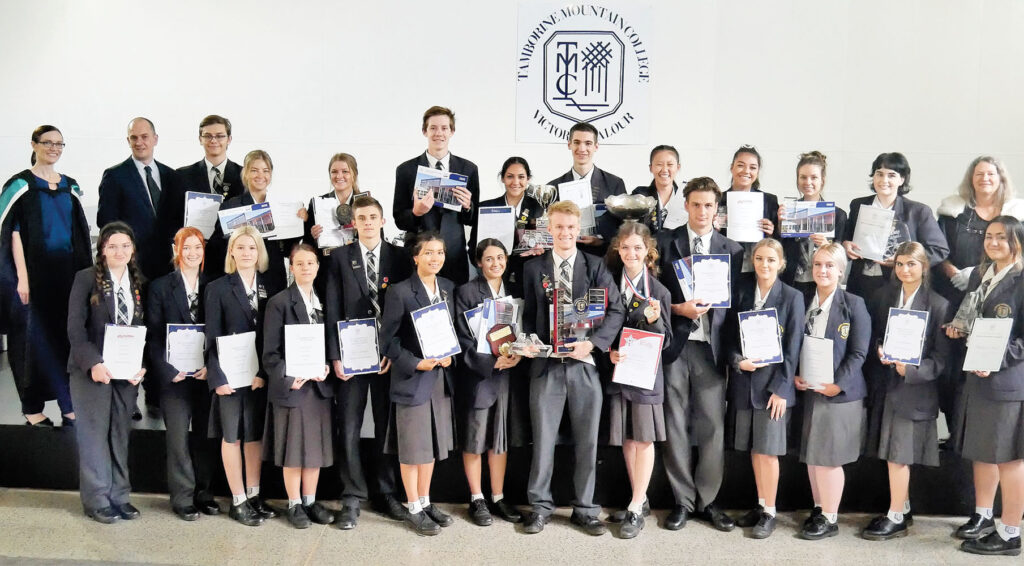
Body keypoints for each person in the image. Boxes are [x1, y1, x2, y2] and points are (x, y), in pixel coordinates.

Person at [519, 200, 626, 537]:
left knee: (587, 440)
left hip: (583, 364)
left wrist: (593, 344)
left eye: (570, 228)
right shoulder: (533, 270)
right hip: (547, 366)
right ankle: (539, 506)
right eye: (559, 227)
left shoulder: (595, 266)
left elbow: (616, 311)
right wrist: (529, 343)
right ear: (548, 229)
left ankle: (585, 508)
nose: (565, 233)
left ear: (578, 230)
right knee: (544, 439)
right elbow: (527, 314)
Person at [655, 177, 743, 532]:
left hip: (712, 349)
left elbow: (735, 306)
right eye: (696, 204)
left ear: (717, 209)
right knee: (674, 425)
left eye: (709, 205)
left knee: (711, 427)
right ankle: (682, 501)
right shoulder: (665, 242)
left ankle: (708, 501)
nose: (703, 211)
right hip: (677, 345)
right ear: (686, 206)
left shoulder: (733, 250)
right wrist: (679, 309)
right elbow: (655, 298)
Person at [325, 195, 412, 528]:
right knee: (348, 426)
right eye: (361, 218)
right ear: (354, 223)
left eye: (373, 217)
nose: (368, 222)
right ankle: (351, 494)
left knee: (385, 427)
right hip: (351, 356)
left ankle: (386, 492)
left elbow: (406, 310)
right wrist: (335, 356)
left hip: (386, 356)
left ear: (382, 221)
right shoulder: (339, 258)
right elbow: (332, 307)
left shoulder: (399, 257)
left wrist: (395, 351)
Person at [0, 125, 91, 427]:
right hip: (32, 279)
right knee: (31, 342)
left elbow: (79, 236)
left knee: (66, 338)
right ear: (34, 145)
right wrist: (22, 279)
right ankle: (31, 408)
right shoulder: (19, 186)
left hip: (66, 277)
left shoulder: (70, 186)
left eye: (59, 144)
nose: (53, 148)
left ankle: (68, 404)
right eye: (47, 142)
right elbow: (10, 234)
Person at [946, 216, 1024, 556]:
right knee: (984, 451)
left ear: (1016, 242)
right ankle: (984, 516)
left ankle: (1011, 532)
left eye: (1001, 238)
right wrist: (959, 328)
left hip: (1006, 381)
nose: (992, 243)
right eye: (989, 236)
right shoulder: (983, 275)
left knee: (1009, 459)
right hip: (977, 376)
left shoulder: (1021, 279)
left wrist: (997, 358)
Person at [861, 242, 949, 541]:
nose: (904, 270)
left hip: (914, 390)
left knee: (899, 454)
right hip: (885, 386)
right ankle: (903, 506)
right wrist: (879, 351)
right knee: (891, 454)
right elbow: (871, 335)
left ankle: (896, 517)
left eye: (911, 264)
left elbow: (941, 359)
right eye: (899, 264)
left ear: (924, 267)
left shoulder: (938, 305)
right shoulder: (882, 296)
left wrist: (910, 370)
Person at [66, 222, 146, 523]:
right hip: (92, 372)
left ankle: (120, 496)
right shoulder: (86, 279)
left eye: (125, 245)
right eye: (112, 245)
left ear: (133, 249)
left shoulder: (139, 282)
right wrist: (94, 364)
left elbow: (143, 329)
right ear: (102, 249)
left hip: (126, 374)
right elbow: (75, 328)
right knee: (93, 436)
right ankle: (97, 498)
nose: (119, 251)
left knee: (119, 434)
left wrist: (141, 366)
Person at [724, 238, 804, 539]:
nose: (765, 264)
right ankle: (760, 505)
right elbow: (729, 337)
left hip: (774, 390)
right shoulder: (743, 292)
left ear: (781, 263)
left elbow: (794, 346)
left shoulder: (792, 297)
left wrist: (783, 389)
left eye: (771, 259)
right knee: (755, 451)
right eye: (759, 259)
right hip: (746, 383)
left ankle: (770, 511)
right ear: (752, 261)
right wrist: (736, 361)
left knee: (769, 452)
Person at [380, 231, 458, 536]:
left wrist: (452, 355)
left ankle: (425, 501)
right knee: (413, 448)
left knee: (431, 447)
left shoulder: (449, 289)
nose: (435, 258)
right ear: (415, 257)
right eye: (428, 253)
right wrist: (414, 362)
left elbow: (456, 333)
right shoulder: (399, 292)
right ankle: (412, 506)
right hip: (412, 379)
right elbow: (387, 340)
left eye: (439, 252)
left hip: (439, 380)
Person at [204, 226, 283, 526]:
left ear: (259, 252)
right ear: (232, 252)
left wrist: (265, 372)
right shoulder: (217, 288)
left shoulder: (271, 285)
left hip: (260, 375)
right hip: (229, 377)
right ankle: (237, 500)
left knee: (254, 436)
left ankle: (253, 495)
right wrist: (218, 378)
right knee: (232, 436)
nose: (247, 253)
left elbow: (274, 335)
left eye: (252, 247)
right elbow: (211, 337)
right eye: (241, 247)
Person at [794, 243, 871, 540]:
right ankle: (819, 507)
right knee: (814, 455)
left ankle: (830, 517)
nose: (823, 271)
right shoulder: (803, 301)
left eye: (829, 265)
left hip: (840, 394)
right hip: (811, 388)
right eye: (818, 265)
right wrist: (798, 376)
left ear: (841, 270)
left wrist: (837, 383)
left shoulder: (854, 303)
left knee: (829, 457)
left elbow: (859, 353)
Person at [145, 227, 221, 520]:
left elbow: (220, 331)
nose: (192, 253)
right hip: (173, 379)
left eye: (197, 247)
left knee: (205, 436)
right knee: (177, 438)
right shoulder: (160, 287)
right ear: (175, 250)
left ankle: (204, 492)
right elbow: (152, 336)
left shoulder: (213, 285)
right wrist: (167, 369)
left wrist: (212, 367)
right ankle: (182, 496)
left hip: (204, 375)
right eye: (186, 247)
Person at [602, 222, 672, 539]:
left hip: (646, 377)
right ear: (618, 249)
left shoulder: (659, 292)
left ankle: (635, 507)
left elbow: (668, 342)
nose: (632, 253)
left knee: (643, 438)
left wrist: (656, 322)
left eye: (638, 248)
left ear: (648, 252)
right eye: (627, 247)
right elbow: (598, 328)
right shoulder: (607, 285)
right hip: (620, 374)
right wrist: (609, 352)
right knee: (629, 438)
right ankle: (638, 499)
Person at [262, 244, 335, 529]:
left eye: (311, 263)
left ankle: (309, 499)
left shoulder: (324, 301)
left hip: (318, 388)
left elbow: (329, 343)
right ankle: (293, 503)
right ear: (291, 268)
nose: (306, 268)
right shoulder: (279, 302)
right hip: (293, 387)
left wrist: (327, 365)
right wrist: (291, 377)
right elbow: (270, 354)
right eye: (300, 264)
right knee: (293, 449)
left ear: (318, 266)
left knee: (314, 448)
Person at [453, 239, 525, 527]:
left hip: (508, 374)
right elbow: (461, 337)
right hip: (480, 375)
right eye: (489, 259)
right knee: (475, 437)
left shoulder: (514, 291)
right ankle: (477, 497)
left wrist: (518, 356)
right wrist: (489, 362)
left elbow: (523, 329)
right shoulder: (467, 292)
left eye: (500, 258)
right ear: (479, 263)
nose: (496, 264)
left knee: (499, 437)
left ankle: (497, 496)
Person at [393, 105, 480, 285]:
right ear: (424, 131)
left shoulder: (468, 169)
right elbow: (400, 220)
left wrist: (468, 207)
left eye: (444, 128)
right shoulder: (406, 170)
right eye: (433, 128)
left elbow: (473, 219)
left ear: (452, 131)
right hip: (418, 255)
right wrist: (416, 213)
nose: (438, 133)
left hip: (453, 257)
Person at [843, 152, 948, 298]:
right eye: (879, 174)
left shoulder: (918, 212)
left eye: (891, 175)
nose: (884, 180)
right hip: (860, 284)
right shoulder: (858, 205)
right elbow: (847, 238)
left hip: (897, 286)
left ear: (902, 180)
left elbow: (939, 250)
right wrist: (846, 245)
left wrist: (905, 260)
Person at [97, 117, 178, 281]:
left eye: (144, 136)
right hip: (133, 265)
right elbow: (107, 221)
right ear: (128, 140)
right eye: (134, 138)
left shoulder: (171, 175)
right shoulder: (115, 176)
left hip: (168, 264)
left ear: (155, 139)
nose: (139, 142)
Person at [935, 157, 1023, 305]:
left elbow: (1020, 253)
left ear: (1001, 178)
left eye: (990, 174)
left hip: (1004, 292)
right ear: (971, 179)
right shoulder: (952, 212)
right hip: (954, 289)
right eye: (979, 174)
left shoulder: (1017, 215)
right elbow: (938, 249)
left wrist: (978, 275)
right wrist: (953, 272)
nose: (985, 178)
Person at [169, 115, 246, 281]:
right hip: (194, 259)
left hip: (232, 260)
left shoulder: (244, 176)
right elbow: (172, 219)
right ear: (200, 139)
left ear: (229, 139)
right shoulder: (182, 176)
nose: (214, 140)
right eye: (208, 136)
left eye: (220, 136)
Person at [218, 150, 306, 292]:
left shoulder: (281, 205)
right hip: (239, 277)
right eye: (254, 170)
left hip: (273, 276)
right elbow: (220, 246)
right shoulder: (230, 206)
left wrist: (301, 222)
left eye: (266, 171)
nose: (261, 176)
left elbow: (288, 250)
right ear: (246, 173)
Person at [547, 122, 626, 258]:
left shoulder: (615, 184)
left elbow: (623, 228)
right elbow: (549, 229)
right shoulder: (553, 187)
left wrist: (602, 241)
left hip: (604, 259)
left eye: (588, 143)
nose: (582, 148)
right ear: (569, 145)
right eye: (576, 142)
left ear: (596, 147)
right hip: (565, 259)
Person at [469, 157, 545, 296]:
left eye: (521, 177)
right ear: (502, 178)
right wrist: (487, 270)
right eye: (510, 176)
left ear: (528, 179)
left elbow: (548, 243)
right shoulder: (486, 207)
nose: (515, 182)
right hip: (493, 280)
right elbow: (474, 247)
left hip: (528, 279)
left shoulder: (539, 208)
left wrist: (542, 250)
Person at [778, 151, 848, 301]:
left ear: (822, 180)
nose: (808, 182)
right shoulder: (788, 211)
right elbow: (779, 248)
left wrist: (827, 246)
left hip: (822, 282)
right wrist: (779, 224)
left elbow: (842, 257)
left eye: (814, 177)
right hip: (791, 281)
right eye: (803, 177)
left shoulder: (838, 215)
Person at [304, 153, 363, 296]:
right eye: (334, 172)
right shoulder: (317, 204)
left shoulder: (365, 203)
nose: (339, 176)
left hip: (358, 269)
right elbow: (306, 244)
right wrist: (312, 235)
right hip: (327, 271)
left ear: (354, 174)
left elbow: (378, 238)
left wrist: (360, 230)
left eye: (345, 171)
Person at [718, 145, 780, 273]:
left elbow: (779, 244)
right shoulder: (718, 200)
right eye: (741, 165)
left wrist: (771, 233)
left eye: (752, 168)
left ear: (757, 172)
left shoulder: (769, 201)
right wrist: (715, 229)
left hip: (759, 270)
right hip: (726, 267)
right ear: (732, 167)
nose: (746, 171)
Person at [631, 145, 687, 233]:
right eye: (659, 164)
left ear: (678, 167)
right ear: (651, 168)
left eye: (670, 165)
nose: (664, 170)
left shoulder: (686, 197)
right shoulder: (640, 195)